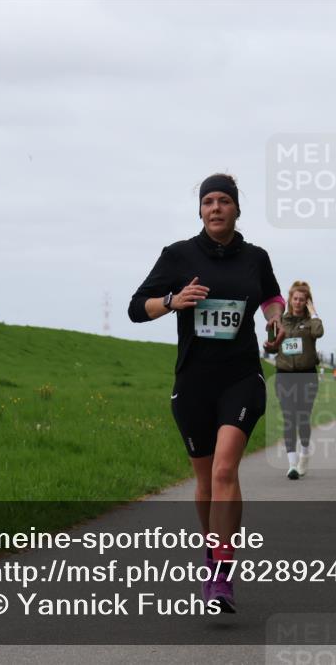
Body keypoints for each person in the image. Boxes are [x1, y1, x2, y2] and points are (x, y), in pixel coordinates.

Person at [128, 173, 285, 613]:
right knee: (204, 482)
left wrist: (275, 321)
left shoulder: (255, 257)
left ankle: (221, 570)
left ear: (237, 209)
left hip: (242, 377)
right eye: (208, 201)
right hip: (194, 381)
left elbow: (272, 297)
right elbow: (136, 308)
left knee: (223, 471)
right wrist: (172, 301)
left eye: (224, 201)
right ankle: (213, 551)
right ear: (200, 210)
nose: (216, 208)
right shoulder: (178, 255)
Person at [269, 281, 324, 480]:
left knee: (302, 418)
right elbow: (273, 346)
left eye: (302, 299)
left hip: (307, 376)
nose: (298, 302)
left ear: (307, 301)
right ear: (290, 300)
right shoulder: (281, 321)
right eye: (295, 299)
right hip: (284, 376)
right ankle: (292, 465)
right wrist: (268, 345)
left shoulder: (311, 322)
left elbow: (318, 333)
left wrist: (313, 312)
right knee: (289, 418)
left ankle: (304, 455)